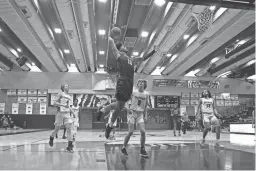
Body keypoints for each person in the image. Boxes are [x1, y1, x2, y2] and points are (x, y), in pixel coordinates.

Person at [97, 32, 158, 139]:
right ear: (120, 49)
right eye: (123, 46)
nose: (126, 47)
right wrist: (110, 37)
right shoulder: (119, 55)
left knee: (119, 106)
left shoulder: (132, 59)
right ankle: (108, 124)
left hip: (130, 83)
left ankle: (104, 111)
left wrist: (153, 51)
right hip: (123, 82)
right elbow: (112, 46)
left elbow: (143, 58)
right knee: (119, 105)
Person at [121, 79, 149, 158]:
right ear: (137, 84)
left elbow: (146, 106)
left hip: (140, 114)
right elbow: (125, 101)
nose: (140, 83)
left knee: (143, 131)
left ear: (144, 85)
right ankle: (123, 147)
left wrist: (146, 115)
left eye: (142, 82)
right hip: (132, 113)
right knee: (130, 132)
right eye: (139, 82)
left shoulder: (146, 94)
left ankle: (142, 149)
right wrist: (127, 108)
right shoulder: (133, 92)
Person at [49, 84, 74, 153]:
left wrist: (73, 112)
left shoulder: (69, 96)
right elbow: (54, 103)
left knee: (69, 129)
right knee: (57, 128)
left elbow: (68, 106)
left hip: (67, 113)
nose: (68, 87)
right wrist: (62, 105)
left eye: (68, 86)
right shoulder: (60, 94)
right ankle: (51, 137)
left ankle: (70, 146)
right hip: (60, 113)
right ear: (63, 88)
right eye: (66, 86)